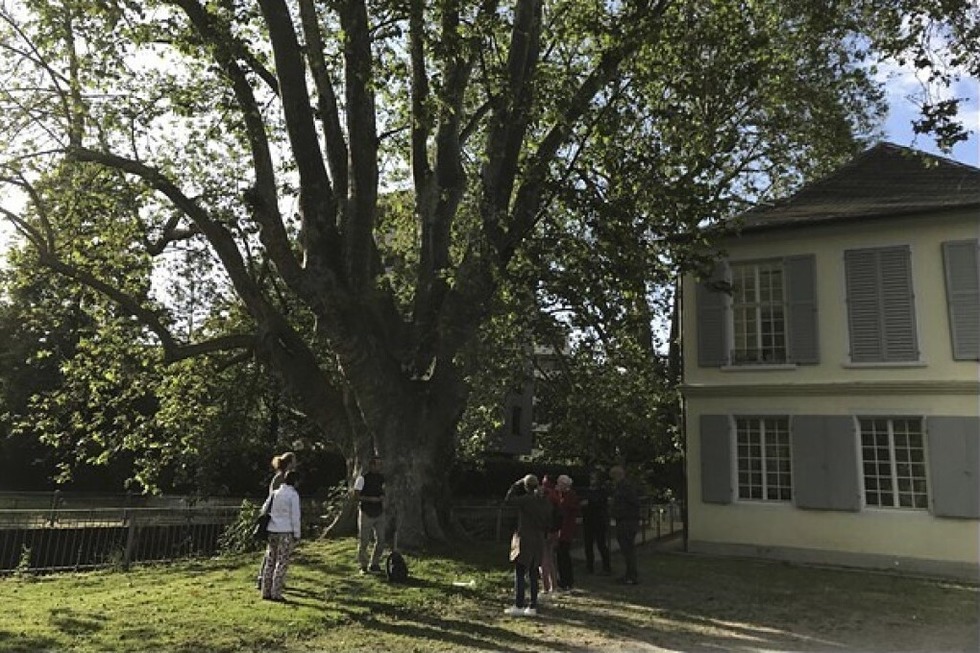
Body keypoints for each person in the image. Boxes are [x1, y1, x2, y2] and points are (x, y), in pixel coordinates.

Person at [503, 474, 553, 617]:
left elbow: (508, 501)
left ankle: (519, 604)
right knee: (533, 572)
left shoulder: (526, 500)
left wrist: (515, 485)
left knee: (520, 571)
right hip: (539, 539)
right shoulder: (545, 503)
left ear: (525, 486)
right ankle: (533, 605)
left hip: (525, 537)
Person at [257, 452, 297, 588]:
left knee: (273, 552)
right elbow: (274, 498)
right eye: (294, 460)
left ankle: (269, 580)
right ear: (289, 462)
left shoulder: (284, 477)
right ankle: (263, 578)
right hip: (276, 519)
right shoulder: (280, 479)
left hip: (278, 519)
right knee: (273, 554)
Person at [260, 470, 301, 602]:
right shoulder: (293, 495)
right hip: (286, 530)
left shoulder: (275, 493)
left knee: (270, 560)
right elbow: (295, 516)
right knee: (281, 561)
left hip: (272, 529)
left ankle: (265, 591)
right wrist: (297, 533)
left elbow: (264, 508)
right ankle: (276, 592)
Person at [353, 455, 385, 574]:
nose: (379, 467)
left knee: (381, 539)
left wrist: (382, 496)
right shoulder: (362, 478)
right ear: (371, 465)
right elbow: (356, 496)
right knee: (364, 540)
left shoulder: (381, 478)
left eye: (380, 464)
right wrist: (369, 499)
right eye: (377, 464)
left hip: (379, 511)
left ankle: (374, 563)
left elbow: (382, 490)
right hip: (366, 511)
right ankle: (363, 565)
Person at [610, 465, 641, 585]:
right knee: (626, 549)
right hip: (623, 521)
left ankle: (632, 576)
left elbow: (634, 503)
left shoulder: (626, 487)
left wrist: (622, 512)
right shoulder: (621, 487)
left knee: (628, 549)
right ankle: (629, 574)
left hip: (627, 522)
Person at [580, 468, 612, 575]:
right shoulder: (586, 491)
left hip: (599, 521)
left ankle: (606, 567)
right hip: (588, 520)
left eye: (594, 478)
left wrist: (589, 503)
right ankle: (589, 566)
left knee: (601, 544)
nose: (592, 480)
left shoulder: (602, 492)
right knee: (588, 545)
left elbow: (601, 504)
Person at [554, 474, 580, 591]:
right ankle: (563, 579)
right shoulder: (564, 495)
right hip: (562, 529)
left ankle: (567, 580)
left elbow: (564, 508)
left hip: (566, 530)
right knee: (561, 555)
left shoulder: (570, 496)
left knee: (564, 555)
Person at [537, 475, 559, 596]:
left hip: (546, 531)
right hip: (555, 531)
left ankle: (546, 587)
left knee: (543, 560)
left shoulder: (546, 496)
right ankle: (554, 585)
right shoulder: (556, 495)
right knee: (550, 559)